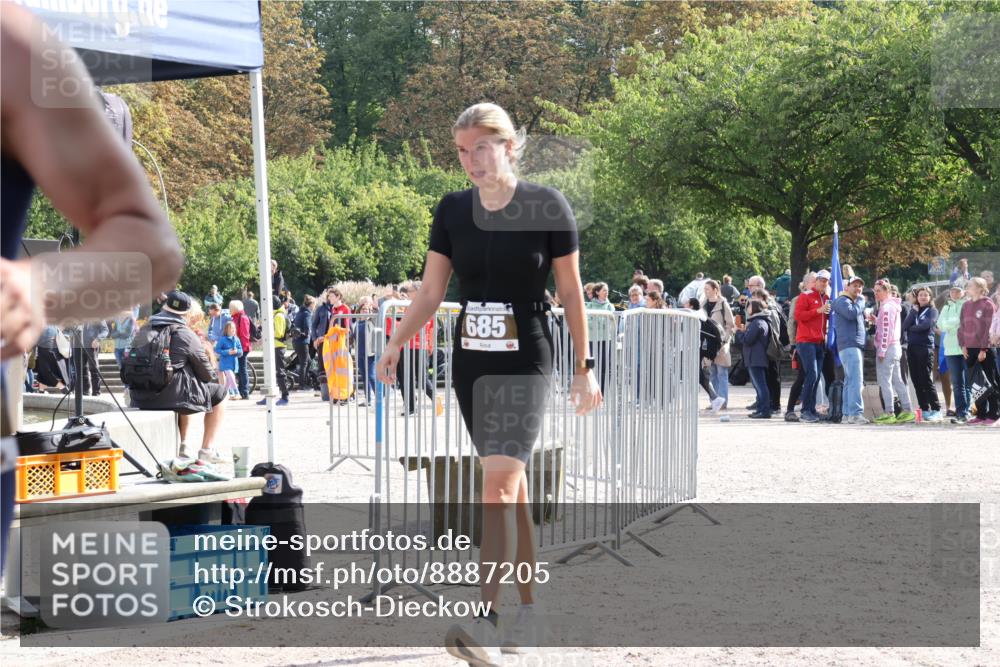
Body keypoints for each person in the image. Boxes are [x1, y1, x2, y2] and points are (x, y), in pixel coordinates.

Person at [375, 102, 601, 665]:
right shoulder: (451, 210)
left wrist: (584, 366)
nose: (470, 161)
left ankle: (485, 617)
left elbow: (572, 293)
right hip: (471, 363)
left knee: (496, 488)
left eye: (480, 147)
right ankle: (528, 609)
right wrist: (397, 339)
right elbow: (430, 293)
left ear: (508, 145)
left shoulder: (546, 204)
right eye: (461, 151)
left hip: (527, 357)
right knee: (513, 490)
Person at [130, 291, 229, 461]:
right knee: (220, 393)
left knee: (182, 386)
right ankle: (207, 449)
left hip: (139, 396)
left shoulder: (144, 330)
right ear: (186, 314)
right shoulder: (185, 334)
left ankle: (184, 444)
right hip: (168, 398)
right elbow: (207, 375)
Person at [871, 280, 915, 424]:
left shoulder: (887, 307)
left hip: (888, 348)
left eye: (878, 290)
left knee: (885, 381)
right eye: (875, 290)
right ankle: (908, 410)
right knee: (897, 380)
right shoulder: (892, 305)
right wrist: (876, 320)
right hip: (895, 347)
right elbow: (888, 326)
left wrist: (882, 350)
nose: (875, 293)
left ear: (886, 291)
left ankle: (889, 412)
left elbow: (886, 331)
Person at [959, 277, 999, 425]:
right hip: (969, 349)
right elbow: (962, 326)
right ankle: (980, 414)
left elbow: (989, 328)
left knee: (990, 381)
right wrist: (962, 345)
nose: (967, 287)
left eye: (970, 285)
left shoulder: (988, 304)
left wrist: (984, 349)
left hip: (984, 349)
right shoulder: (966, 305)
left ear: (980, 288)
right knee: (976, 384)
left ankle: (994, 414)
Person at [794, 269, 831, 423]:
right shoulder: (806, 295)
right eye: (820, 280)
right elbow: (798, 316)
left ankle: (811, 409)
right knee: (812, 375)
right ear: (815, 281)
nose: (823, 283)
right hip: (806, 341)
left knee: (815, 377)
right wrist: (818, 311)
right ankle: (805, 410)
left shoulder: (827, 298)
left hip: (819, 342)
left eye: (825, 281)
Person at [831, 276, 868, 424]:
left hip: (852, 345)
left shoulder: (850, 302)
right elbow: (851, 313)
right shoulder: (843, 301)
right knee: (855, 381)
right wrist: (861, 302)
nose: (858, 289)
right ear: (847, 287)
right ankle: (855, 413)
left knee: (849, 380)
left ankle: (847, 414)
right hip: (850, 345)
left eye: (860, 286)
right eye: (854, 285)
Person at [902, 287, 942, 422]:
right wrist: (913, 312)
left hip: (925, 348)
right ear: (917, 297)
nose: (923, 297)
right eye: (920, 295)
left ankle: (936, 409)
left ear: (930, 297)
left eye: (926, 295)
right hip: (912, 348)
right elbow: (904, 326)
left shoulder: (933, 311)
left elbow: (926, 325)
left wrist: (911, 329)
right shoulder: (915, 311)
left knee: (925, 379)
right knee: (916, 380)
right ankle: (924, 409)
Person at [685, 297, 726, 413]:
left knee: (696, 375)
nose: (684, 305)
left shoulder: (691, 315)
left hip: (694, 348)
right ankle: (715, 398)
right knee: (698, 375)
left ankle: (711, 400)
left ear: (691, 306)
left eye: (686, 303)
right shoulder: (700, 315)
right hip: (697, 348)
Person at [735, 300, 772, 419]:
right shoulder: (760, 321)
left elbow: (747, 340)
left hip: (756, 358)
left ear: (756, 307)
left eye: (750, 306)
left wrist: (738, 332)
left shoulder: (757, 322)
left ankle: (764, 410)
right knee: (759, 385)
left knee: (760, 385)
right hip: (756, 357)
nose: (747, 308)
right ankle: (761, 409)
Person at [938, 283, 970, 423]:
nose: (955, 294)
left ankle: (967, 411)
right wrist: (955, 323)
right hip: (950, 349)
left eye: (958, 291)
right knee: (957, 383)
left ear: (963, 292)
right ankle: (960, 412)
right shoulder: (946, 307)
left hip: (965, 348)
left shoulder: (967, 305)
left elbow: (965, 322)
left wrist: (950, 323)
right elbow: (940, 325)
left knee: (967, 382)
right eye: (953, 291)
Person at [703, 279, 735, 410]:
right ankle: (715, 400)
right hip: (707, 343)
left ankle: (723, 401)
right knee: (712, 373)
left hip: (721, 344)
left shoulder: (723, 304)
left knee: (722, 372)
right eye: (704, 290)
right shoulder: (703, 304)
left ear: (715, 290)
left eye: (708, 289)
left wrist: (725, 339)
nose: (705, 292)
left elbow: (730, 324)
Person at [257, 295, 289, 406]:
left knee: (280, 372)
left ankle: (285, 396)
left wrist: (266, 332)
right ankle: (269, 396)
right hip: (273, 346)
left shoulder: (278, 316)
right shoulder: (275, 314)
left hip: (278, 346)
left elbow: (279, 333)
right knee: (270, 372)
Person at [586, 282, 615, 394]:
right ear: (597, 292)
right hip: (592, 340)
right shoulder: (590, 306)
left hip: (605, 340)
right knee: (590, 365)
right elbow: (588, 322)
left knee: (604, 366)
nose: (607, 293)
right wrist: (601, 320)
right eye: (604, 290)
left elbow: (610, 323)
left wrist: (597, 320)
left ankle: (602, 391)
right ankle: (590, 390)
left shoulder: (610, 306)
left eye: (607, 290)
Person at [229, 300, 253, 400]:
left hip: (242, 347)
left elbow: (244, 335)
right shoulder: (236, 317)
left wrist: (240, 349)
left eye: (231, 307)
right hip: (237, 347)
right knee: (239, 369)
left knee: (242, 369)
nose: (229, 309)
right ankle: (241, 390)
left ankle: (245, 391)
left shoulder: (242, 318)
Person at [109, 307, 138, 386]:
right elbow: (112, 335)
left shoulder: (131, 320)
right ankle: (126, 388)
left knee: (128, 369)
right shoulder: (116, 321)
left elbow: (127, 334)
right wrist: (118, 334)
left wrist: (118, 333)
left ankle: (128, 388)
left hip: (127, 349)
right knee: (122, 369)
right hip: (117, 349)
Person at [214, 321, 242, 399]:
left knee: (229, 380)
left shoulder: (237, 339)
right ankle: (237, 392)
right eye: (231, 328)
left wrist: (237, 351)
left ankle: (224, 394)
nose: (233, 330)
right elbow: (217, 350)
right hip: (225, 363)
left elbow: (241, 351)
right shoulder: (223, 339)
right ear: (226, 330)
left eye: (234, 328)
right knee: (230, 376)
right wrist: (228, 352)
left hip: (234, 363)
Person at [292, 295, 314, 391]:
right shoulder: (307, 314)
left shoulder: (300, 312)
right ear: (312, 304)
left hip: (297, 341)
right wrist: (309, 334)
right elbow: (308, 327)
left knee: (307, 361)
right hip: (303, 341)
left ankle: (303, 381)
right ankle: (302, 385)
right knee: (304, 363)